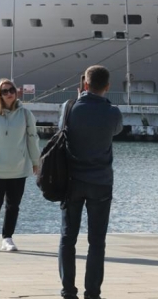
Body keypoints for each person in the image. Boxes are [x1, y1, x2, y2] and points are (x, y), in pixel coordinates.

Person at [58, 65, 123, 299]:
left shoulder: (69, 107)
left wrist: (79, 100)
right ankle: (92, 293)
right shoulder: (113, 112)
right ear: (107, 86)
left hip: (72, 181)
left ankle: (68, 291)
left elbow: (62, 131)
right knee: (97, 241)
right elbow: (116, 131)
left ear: (84, 84)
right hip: (101, 183)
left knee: (68, 238)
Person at [0, 79, 41, 252]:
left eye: (11, 90)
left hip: (19, 168)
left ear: (16, 92)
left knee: (13, 205)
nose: (9, 93)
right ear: (0, 94)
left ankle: (8, 238)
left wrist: (36, 161)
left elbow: (32, 139)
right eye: (5, 91)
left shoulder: (26, 114)